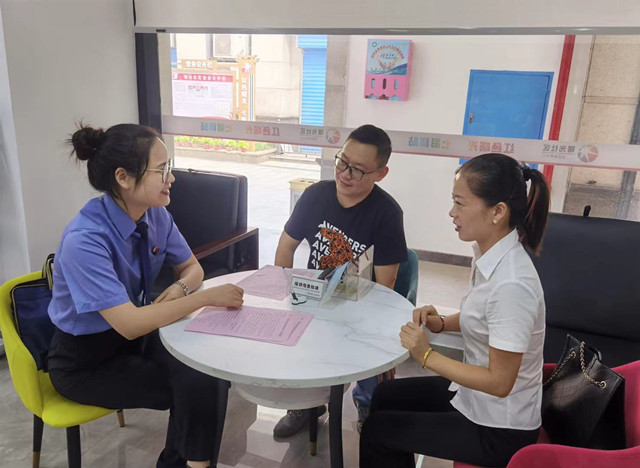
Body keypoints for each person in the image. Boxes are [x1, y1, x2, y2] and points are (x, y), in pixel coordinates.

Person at [47, 123, 244, 468]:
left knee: (207, 369)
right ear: (123, 177)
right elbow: (129, 324)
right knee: (192, 386)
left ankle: (182, 464)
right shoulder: (85, 240)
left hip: (135, 339)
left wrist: (181, 287)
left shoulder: (155, 215)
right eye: (162, 170)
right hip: (85, 361)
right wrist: (202, 298)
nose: (172, 178)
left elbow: (192, 268)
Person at [360, 153, 550, 467]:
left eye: (460, 203)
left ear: (497, 211)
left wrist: (426, 355)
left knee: (378, 431)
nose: (452, 212)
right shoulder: (490, 255)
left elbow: (500, 382)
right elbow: (484, 316)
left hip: (499, 428)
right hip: (474, 398)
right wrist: (442, 323)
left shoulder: (512, 284)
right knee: (385, 395)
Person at [272, 124, 408, 437]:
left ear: (380, 173)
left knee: (371, 344)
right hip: (313, 298)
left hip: (361, 304)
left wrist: (363, 324)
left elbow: (385, 286)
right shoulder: (315, 196)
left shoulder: (387, 213)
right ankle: (306, 405)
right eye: (342, 162)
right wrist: (283, 291)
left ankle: (367, 404)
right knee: (296, 339)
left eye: (357, 170)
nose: (345, 174)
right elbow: (286, 246)